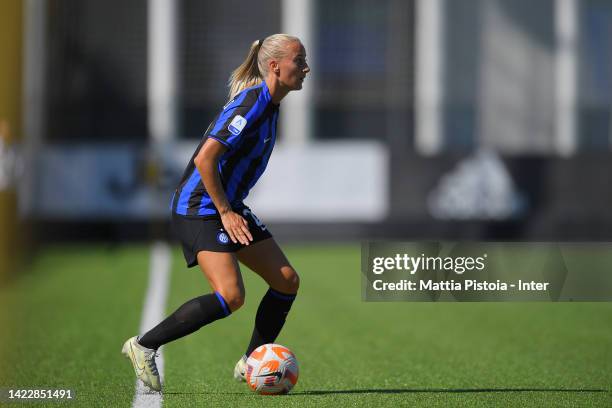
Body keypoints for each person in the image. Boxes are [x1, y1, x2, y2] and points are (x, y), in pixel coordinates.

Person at [122, 34, 309, 392]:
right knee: (231, 295)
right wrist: (224, 210)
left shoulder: (271, 104)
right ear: (275, 66)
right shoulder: (252, 103)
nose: (305, 68)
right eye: (299, 61)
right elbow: (205, 158)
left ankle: (252, 360)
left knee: (286, 281)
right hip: (200, 208)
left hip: (227, 206)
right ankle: (144, 345)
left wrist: (230, 208)